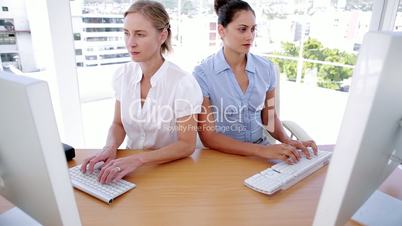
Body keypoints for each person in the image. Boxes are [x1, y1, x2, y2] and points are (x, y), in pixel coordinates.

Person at [81, 0, 202, 184]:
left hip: (167, 169)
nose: (131, 43)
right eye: (126, 33)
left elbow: (187, 145)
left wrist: (138, 160)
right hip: (127, 168)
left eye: (140, 34)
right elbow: (118, 124)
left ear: (162, 36)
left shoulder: (183, 83)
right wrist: (110, 146)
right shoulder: (123, 75)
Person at [193, 0, 317, 164]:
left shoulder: (266, 68)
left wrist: (288, 141)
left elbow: (270, 117)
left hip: (262, 153)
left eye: (253, 29)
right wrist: (262, 151)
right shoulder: (202, 73)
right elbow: (209, 137)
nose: (249, 36)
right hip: (223, 156)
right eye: (242, 29)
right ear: (221, 30)